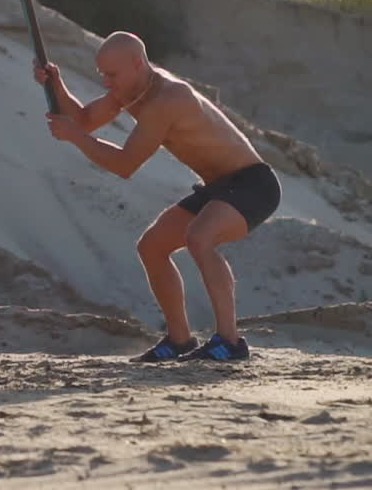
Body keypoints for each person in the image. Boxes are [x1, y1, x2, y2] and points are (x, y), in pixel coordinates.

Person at [34, 31, 281, 362]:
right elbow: (85, 120)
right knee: (152, 247)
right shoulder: (130, 90)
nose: (107, 82)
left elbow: (124, 164)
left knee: (199, 237)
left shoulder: (167, 98)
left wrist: (75, 137)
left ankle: (230, 342)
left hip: (253, 184)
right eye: (103, 74)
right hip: (218, 186)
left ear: (138, 63)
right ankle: (179, 340)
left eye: (112, 75)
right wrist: (56, 85)